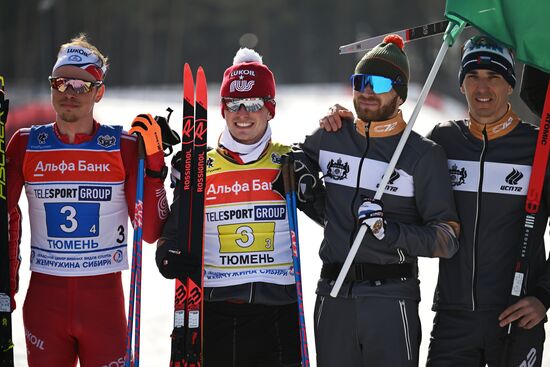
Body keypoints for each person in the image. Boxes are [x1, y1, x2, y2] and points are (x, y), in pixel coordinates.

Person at [320, 35, 550, 366]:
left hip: (517, 314)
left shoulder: (537, 147)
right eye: (472, 77)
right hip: (453, 318)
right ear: (461, 84)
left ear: (510, 85)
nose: (482, 88)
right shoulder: (443, 141)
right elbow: (386, 169)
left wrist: (543, 297)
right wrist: (348, 124)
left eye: (494, 78)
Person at [6, 34, 168, 366]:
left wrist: (154, 169)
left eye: (82, 85)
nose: (69, 93)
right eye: (61, 83)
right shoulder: (24, 144)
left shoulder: (122, 145)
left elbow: (150, 232)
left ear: (99, 92)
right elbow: (5, 215)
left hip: (103, 309)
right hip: (44, 307)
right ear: (51, 86)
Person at [156, 48, 322, 367]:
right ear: (222, 109)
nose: (243, 113)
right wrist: (167, 249)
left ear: (270, 109)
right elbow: (175, 227)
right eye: (233, 103)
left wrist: (314, 193)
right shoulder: (197, 165)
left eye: (254, 103)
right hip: (216, 309)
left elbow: (331, 219)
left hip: (278, 311)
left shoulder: (289, 161)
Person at [301, 34, 460, 366]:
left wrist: (390, 231)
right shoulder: (331, 136)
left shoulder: (422, 154)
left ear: (399, 94)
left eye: (378, 82)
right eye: (360, 81)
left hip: (390, 296)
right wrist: (300, 172)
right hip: (333, 293)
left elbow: (447, 239)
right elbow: (295, 165)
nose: (367, 91)